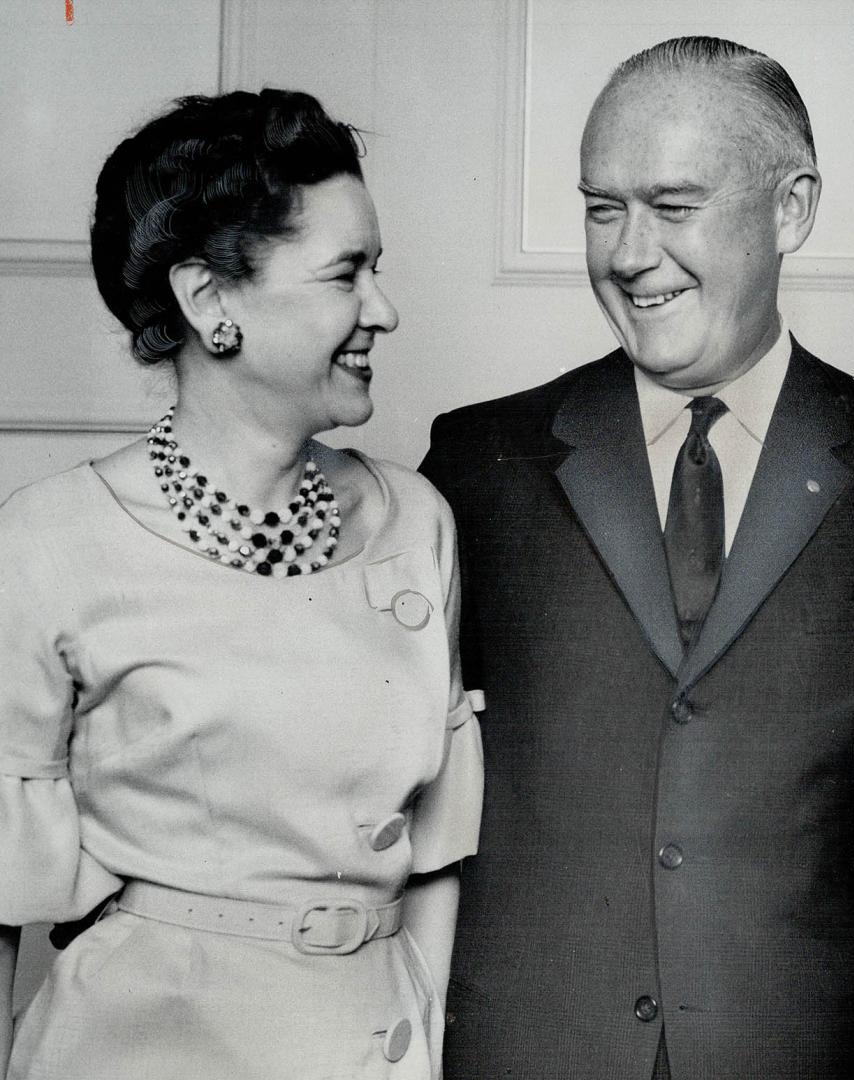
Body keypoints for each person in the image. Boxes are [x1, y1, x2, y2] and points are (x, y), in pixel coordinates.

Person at [419, 35, 854, 1080]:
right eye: (603, 208)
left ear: (792, 208)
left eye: (674, 207)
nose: (629, 252)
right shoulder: (476, 463)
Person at [0, 89, 482, 1080]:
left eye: (376, 269)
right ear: (210, 302)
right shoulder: (48, 543)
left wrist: (417, 1030)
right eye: (347, 273)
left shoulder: (417, 525)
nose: (383, 311)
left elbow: (437, 854)